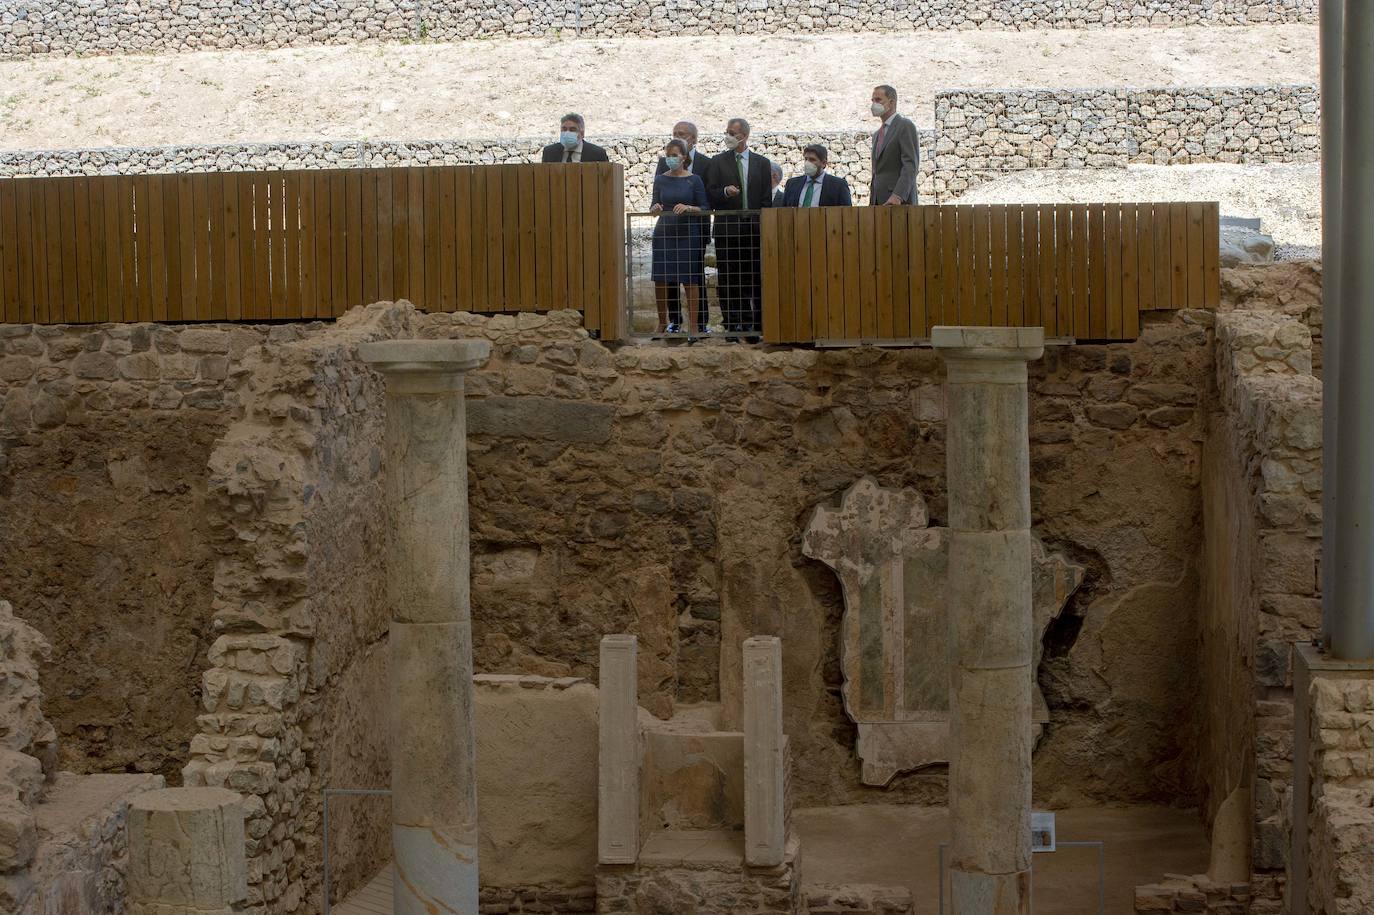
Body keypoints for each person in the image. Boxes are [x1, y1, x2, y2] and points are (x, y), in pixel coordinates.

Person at [706, 117, 773, 337]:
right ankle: (731, 325)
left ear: (743, 136)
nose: (727, 136)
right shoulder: (717, 162)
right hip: (728, 229)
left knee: (752, 276)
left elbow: (765, 200)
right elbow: (711, 194)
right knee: (728, 278)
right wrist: (725, 192)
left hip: (753, 230)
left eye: (732, 132)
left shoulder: (761, 163)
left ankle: (752, 325)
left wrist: (762, 225)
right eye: (726, 131)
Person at [655, 121, 712, 333]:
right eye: (675, 133)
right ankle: (673, 322)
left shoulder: (706, 164)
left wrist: (691, 208)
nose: (678, 136)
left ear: (694, 139)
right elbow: (656, 196)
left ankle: (699, 324)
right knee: (666, 279)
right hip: (666, 230)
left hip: (692, 231)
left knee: (693, 278)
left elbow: (707, 200)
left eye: (683, 134)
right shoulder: (663, 167)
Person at [868, 85, 919, 205]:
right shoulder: (877, 135)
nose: (874, 104)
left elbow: (910, 165)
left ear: (891, 102)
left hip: (899, 203)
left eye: (878, 100)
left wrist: (898, 195)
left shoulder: (904, 126)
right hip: (879, 202)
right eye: (873, 100)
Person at [780, 144, 853, 207]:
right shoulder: (792, 184)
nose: (807, 163)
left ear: (823, 163)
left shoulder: (838, 186)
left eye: (812, 160)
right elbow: (784, 212)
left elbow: (846, 213)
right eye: (806, 159)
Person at [541, 113, 610, 163]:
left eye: (572, 129)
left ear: (582, 133)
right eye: (564, 129)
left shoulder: (597, 154)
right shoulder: (549, 152)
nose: (567, 133)